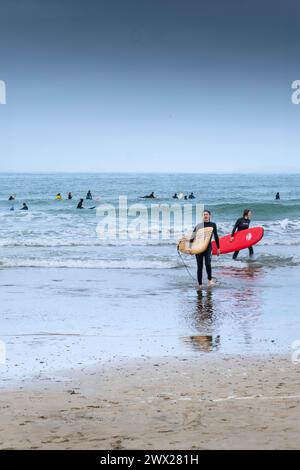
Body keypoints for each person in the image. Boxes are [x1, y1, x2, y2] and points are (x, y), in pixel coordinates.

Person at [190, 210, 220, 288]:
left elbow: (216, 236)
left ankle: (209, 280)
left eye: (207, 214)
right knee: (200, 267)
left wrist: (218, 248)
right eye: (204, 214)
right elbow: (192, 238)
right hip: (198, 248)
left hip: (208, 248)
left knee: (208, 264)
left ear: (210, 216)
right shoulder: (199, 225)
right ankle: (199, 284)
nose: (205, 216)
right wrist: (190, 248)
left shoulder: (213, 225)